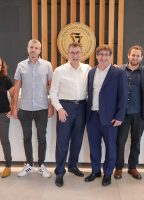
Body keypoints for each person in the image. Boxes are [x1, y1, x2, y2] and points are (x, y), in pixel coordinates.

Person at [84, 45, 128, 186]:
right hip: (92, 116)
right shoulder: (91, 72)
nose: (103, 57)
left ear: (110, 57)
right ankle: (95, 171)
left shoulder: (118, 73)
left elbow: (123, 96)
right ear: (96, 56)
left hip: (110, 118)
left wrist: (120, 116)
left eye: (106, 55)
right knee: (94, 146)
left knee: (110, 147)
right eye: (101, 54)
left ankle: (108, 173)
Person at [50, 42, 91, 187]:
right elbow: (53, 93)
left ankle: (72, 166)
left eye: (77, 52)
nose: (75, 55)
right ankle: (60, 171)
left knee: (77, 140)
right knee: (62, 141)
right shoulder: (59, 71)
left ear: (82, 53)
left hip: (82, 107)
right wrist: (60, 109)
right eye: (72, 52)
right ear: (67, 54)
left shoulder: (87, 69)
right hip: (65, 108)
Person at [12, 39, 54, 178]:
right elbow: (16, 87)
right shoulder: (21, 66)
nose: (33, 50)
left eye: (36, 47)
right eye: (31, 47)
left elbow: (50, 87)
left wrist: (50, 105)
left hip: (42, 108)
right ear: (27, 48)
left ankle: (41, 165)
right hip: (25, 108)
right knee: (27, 137)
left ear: (40, 50)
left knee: (42, 137)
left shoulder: (47, 65)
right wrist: (14, 107)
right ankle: (29, 164)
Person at [114, 45, 144, 180]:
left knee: (136, 141)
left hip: (139, 114)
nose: (135, 57)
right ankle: (118, 168)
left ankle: (132, 167)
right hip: (122, 114)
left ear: (141, 57)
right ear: (128, 55)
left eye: (138, 55)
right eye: (133, 55)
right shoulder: (119, 70)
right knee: (120, 142)